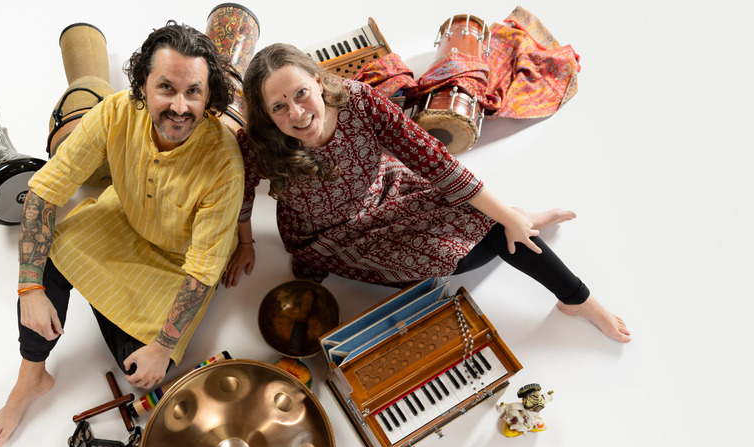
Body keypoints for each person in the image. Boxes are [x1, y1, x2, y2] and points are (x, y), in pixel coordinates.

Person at [222, 43, 629, 344]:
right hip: (329, 238)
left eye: (300, 93)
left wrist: (503, 217)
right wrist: (246, 242)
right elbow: (242, 192)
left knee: (492, 223)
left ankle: (575, 297)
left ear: (317, 80)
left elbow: (436, 161)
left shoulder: (359, 101)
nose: (296, 112)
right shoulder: (259, 142)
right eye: (278, 107)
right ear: (266, 115)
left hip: (388, 189)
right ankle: (515, 217)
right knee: (468, 255)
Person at [0, 21, 245, 447]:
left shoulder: (224, 164)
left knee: (142, 375)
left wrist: (162, 347)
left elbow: (203, 270)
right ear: (142, 84)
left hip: (178, 266)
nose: (180, 106)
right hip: (120, 221)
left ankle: (105, 300)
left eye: (193, 92)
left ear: (208, 96)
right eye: (166, 88)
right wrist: (29, 287)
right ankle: (31, 376)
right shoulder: (115, 111)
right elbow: (44, 191)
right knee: (44, 257)